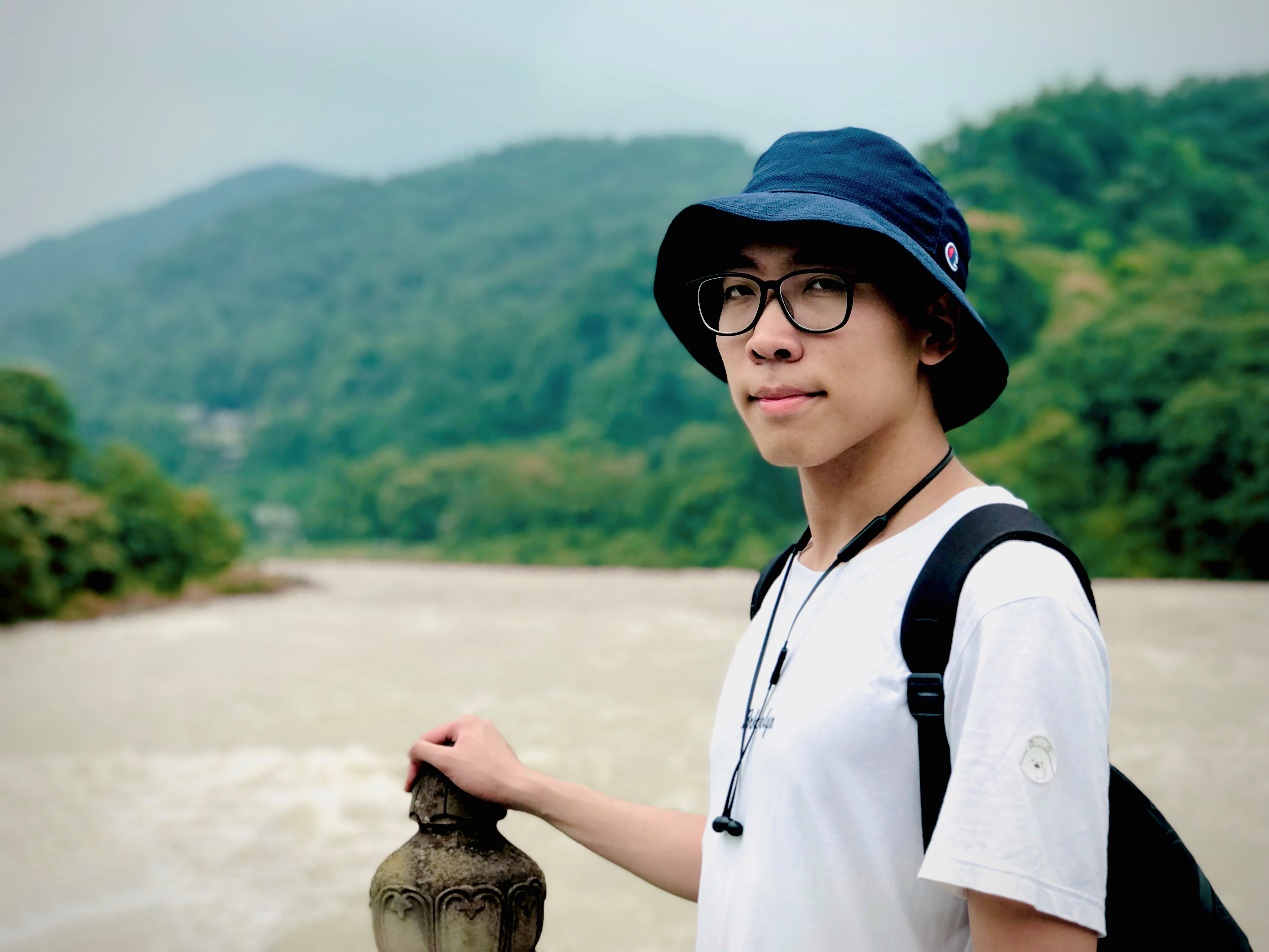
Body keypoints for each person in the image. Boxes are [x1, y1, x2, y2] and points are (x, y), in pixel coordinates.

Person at [405, 127, 1110, 951]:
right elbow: (763, 864)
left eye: (820, 286)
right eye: (739, 291)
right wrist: (525, 788)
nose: (766, 336)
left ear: (934, 330)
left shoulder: (1005, 595)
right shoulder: (791, 581)